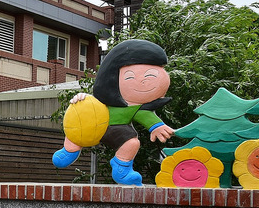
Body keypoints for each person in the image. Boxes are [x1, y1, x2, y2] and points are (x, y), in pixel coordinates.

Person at [53, 39, 174, 186]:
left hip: (118, 129)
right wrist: (82, 98)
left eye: (150, 76)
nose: (141, 81)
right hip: (93, 121)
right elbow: (86, 105)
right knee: (80, 121)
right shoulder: (102, 100)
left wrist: (156, 126)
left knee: (131, 143)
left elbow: (145, 115)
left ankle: (121, 168)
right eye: (130, 77)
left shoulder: (135, 107)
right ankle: (70, 148)